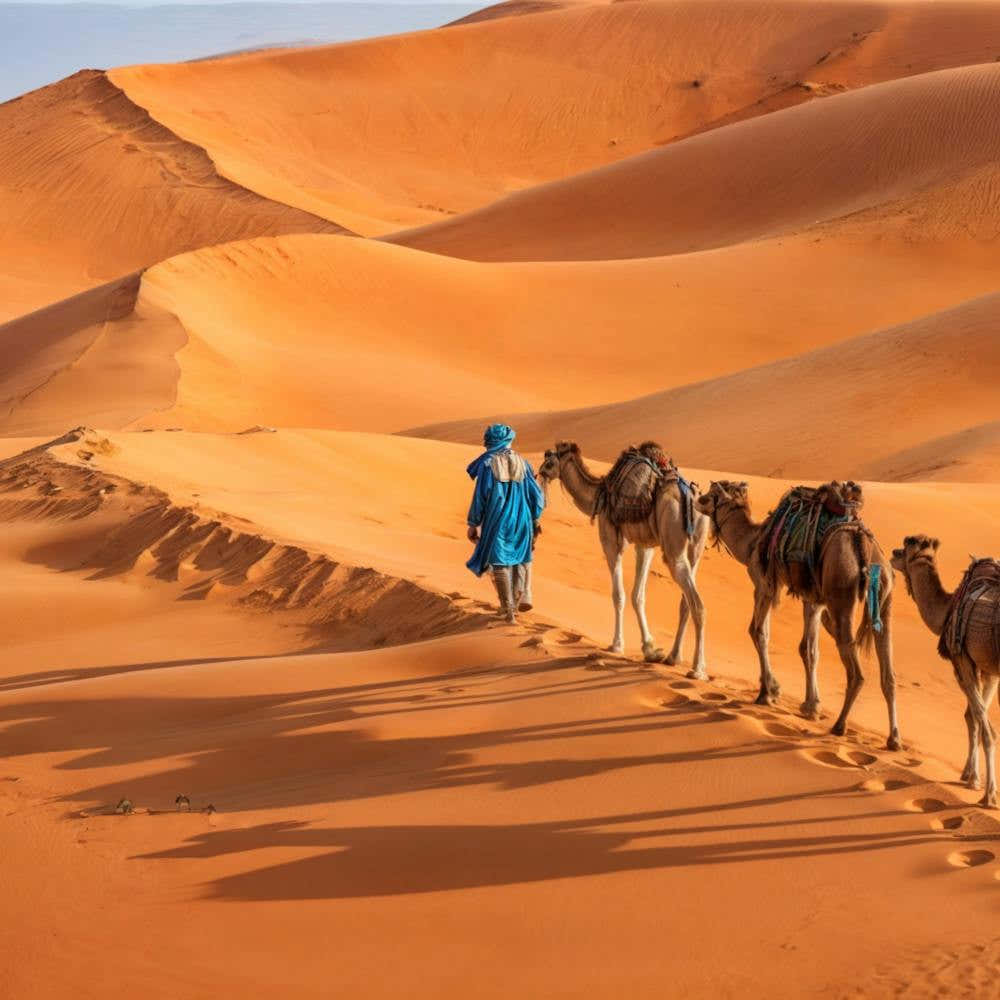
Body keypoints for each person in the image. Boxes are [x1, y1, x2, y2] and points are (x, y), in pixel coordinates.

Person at [466, 423, 545, 623]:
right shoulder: (524, 463)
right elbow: (536, 496)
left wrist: (473, 523)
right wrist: (534, 518)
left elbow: (480, 497)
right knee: (519, 559)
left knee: (499, 561)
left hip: (497, 519)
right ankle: (513, 606)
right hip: (522, 518)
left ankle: (507, 608)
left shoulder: (486, 465)